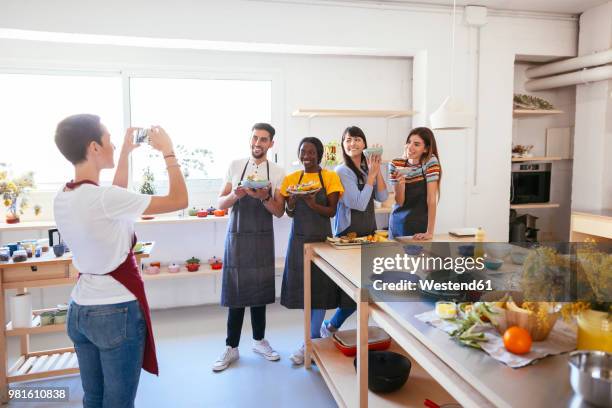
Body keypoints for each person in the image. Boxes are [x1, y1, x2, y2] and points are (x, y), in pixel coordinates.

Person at [54, 114, 188, 408]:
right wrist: (169, 151)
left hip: (80, 311)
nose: (113, 145)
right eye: (109, 140)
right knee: (118, 403)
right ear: (94, 148)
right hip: (115, 313)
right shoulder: (104, 199)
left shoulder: (63, 196)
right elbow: (180, 200)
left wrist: (126, 152)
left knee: (95, 398)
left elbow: (113, 200)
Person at [213, 123, 285, 372]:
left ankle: (259, 341)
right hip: (238, 235)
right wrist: (236, 195)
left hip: (262, 236)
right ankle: (231, 347)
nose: (258, 143)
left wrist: (264, 197)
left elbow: (279, 211)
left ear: (271, 144)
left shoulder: (277, 172)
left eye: (263, 139)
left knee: (261, 288)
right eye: (255, 138)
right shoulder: (235, 166)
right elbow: (220, 203)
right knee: (236, 289)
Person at [278, 137, 344, 365]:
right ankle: (311, 340)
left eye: (311, 152)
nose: (307, 157)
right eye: (303, 152)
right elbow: (289, 212)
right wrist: (295, 200)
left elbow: (332, 212)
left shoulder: (330, 177)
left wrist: (313, 202)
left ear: (320, 154)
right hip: (298, 241)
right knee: (304, 292)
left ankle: (311, 340)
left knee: (319, 292)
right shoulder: (291, 179)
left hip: (323, 242)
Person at [319, 126, 389, 338]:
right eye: (348, 140)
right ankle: (331, 325)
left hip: (368, 232)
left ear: (364, 144)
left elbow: (383, 197)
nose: (352, 144)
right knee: (353, 291)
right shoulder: (342, 171)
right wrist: (371, 176)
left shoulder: (368, 169)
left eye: (357, 140)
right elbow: (357, 203)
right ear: (342, 145)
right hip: (348, 235)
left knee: (367, 287)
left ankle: (345, 329)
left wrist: (377, 172)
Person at [389, 127, 441, 240]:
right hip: (397, 223)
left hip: (419, 225)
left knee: (417, 257)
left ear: (426, 149)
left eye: (416, 144)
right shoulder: (396, 163)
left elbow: (431, 198)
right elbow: (399, 201)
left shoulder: (430, 162)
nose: (410, 147)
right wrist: (400, 185)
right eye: (409, 142)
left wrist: (430, 232)